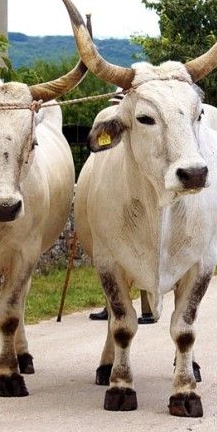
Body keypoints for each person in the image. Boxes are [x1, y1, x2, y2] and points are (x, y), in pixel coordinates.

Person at [87, 88, 155, 324]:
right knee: (111, 259)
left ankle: (147, 309)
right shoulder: (110, 120)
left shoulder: (141, 119)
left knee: (147, 250)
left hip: (143, 195)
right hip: (115, 195)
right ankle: (112, 307)